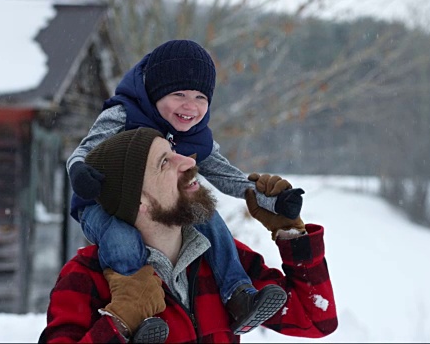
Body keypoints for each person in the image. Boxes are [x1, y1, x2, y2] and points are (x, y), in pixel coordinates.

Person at [66, 39, 305, 338]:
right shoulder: (123, 114)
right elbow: (83, 151)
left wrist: (273, 202)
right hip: (99, 203)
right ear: (154, 92)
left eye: (200, 97)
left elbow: (225, 175)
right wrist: (78, 171)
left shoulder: (197, 135)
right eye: (178, 94)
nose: (190, 106)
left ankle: (237, 294)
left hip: (162, 213)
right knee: (123, 240)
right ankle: (137, 313)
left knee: (209, 217)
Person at [40, 128, 338, 343]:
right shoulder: (86, 277)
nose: (189, 163)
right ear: (138, 202)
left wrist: (291, 233)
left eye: (175, 153)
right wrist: (119, 322)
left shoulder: (221, 260)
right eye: (164, 162)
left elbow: (315, 319)